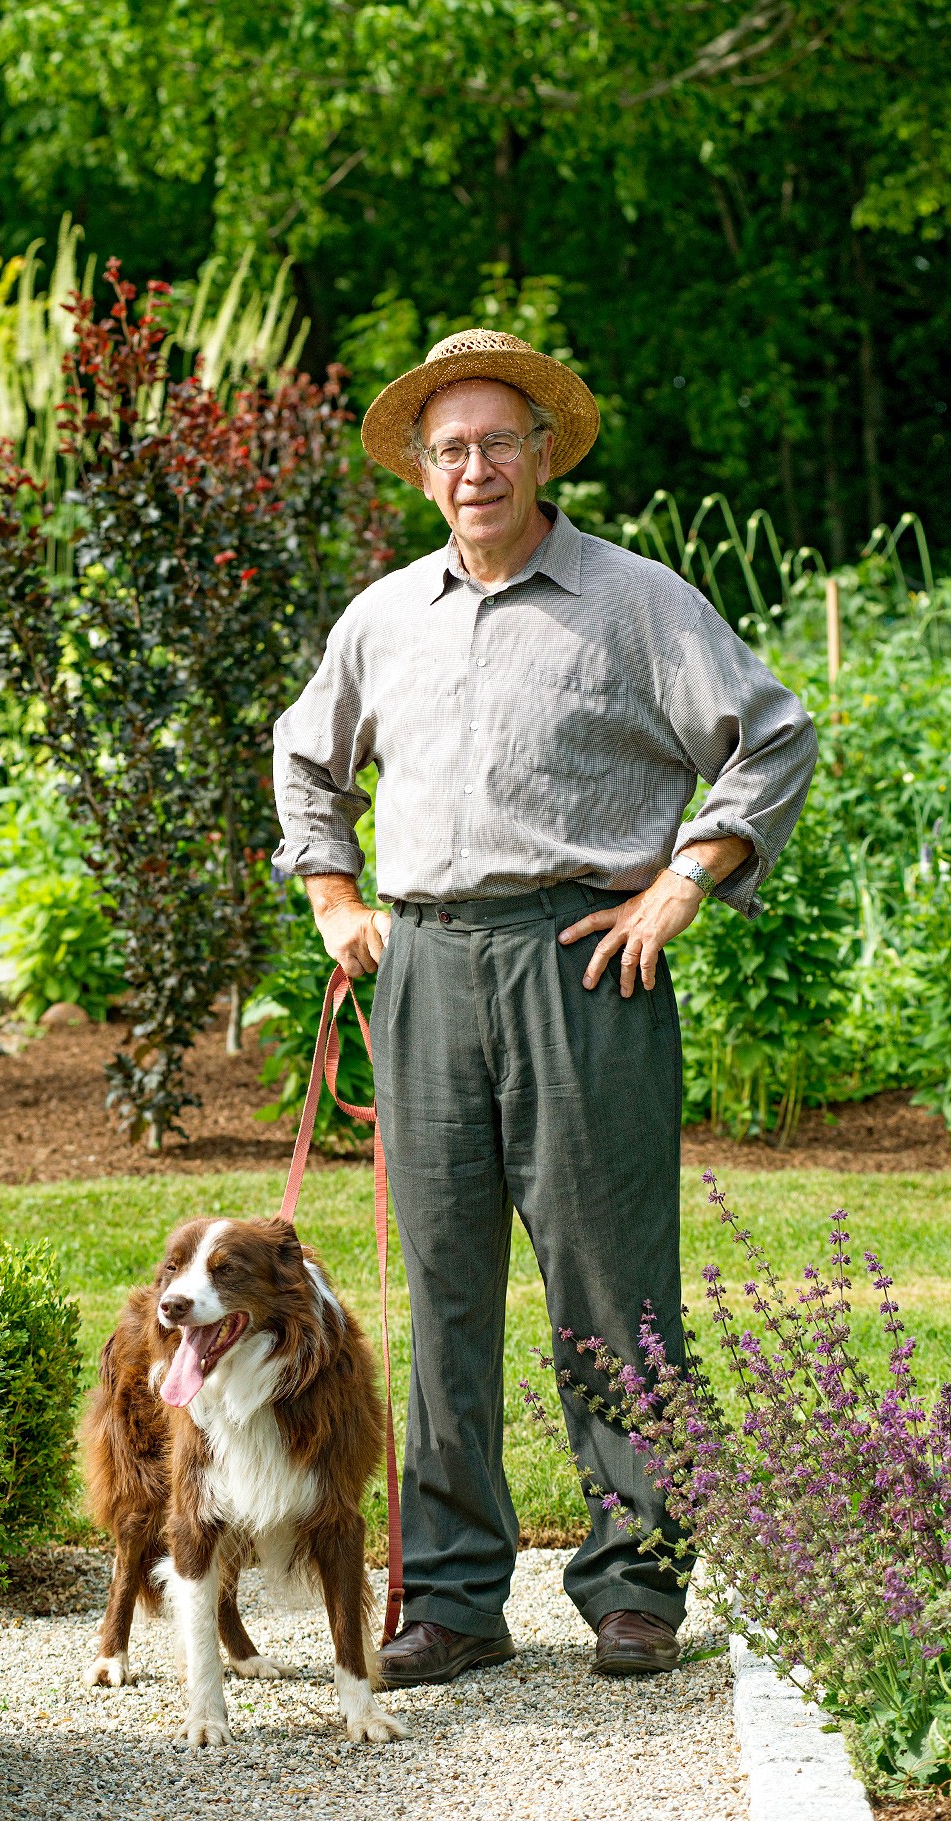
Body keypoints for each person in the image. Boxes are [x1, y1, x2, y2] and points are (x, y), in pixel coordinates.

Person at [271, 327, 817, 1686]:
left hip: (586, 966)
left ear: (543, 452)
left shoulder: (634, 601)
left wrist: (685, 882)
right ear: (422, 469)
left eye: (497, 442)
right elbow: (305, 763)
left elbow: (774, 734)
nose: (474, 468)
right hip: (427, 971)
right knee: (444, 1293)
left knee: (610, 1282)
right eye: (448, 448)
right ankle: (452, 1598)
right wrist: (338, 901)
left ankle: (635, 1580)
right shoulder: (384, 617)